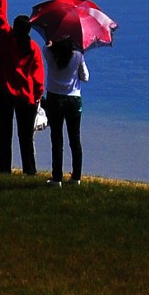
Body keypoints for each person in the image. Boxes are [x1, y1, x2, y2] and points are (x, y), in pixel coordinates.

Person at [0, 0, 45, 175]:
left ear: (15, 27)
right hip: (25, 97)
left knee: (5, 133)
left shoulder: (6, 38)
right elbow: (38, 77)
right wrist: (38, 97)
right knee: (25, 136)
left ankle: (4, 170)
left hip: (3, 93)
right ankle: (30, 171)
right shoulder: (34, 49)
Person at [43, 34, 89, 184]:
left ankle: (57, 178)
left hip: (54, 99)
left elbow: (47, 45)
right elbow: (85, 77)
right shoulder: (78, 56)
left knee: (56, 140)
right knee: (75, 139)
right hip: (73, 100)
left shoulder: (49, 53)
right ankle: (76, 177)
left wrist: (50, 41)